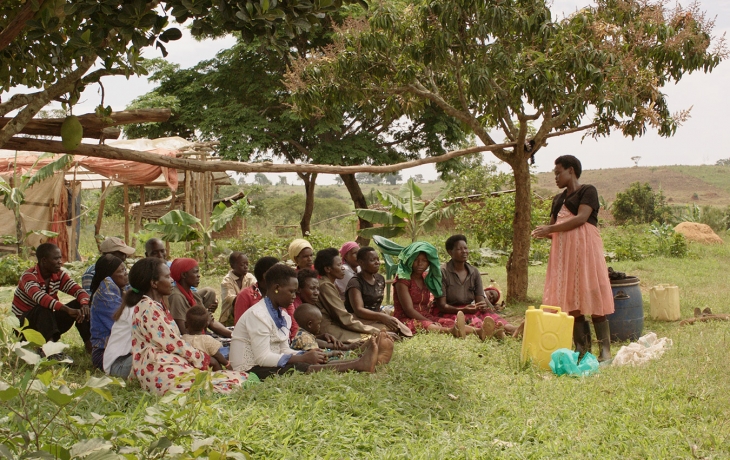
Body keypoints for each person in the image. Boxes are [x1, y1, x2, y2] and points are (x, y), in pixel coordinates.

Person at [228, 264, 383, 379]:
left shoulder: (283, 316)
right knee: (299, 366)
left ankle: (359, 360)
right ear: (276, 288)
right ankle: (358, 364)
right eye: (291, 291)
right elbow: (263, 357)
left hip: (266, 362)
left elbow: (283, 349)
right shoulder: (258, 315)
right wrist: (301, 357)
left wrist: (307, 353)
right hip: (249, 369)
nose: (294, 296)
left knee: (306, 361)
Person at [128, 257, 256, 394]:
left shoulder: (153, 305)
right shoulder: (149, 308)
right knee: (219, 384)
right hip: (158, 369)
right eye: (167, 277)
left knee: (218, 379)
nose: (172, 280)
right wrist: (203, 358)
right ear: (154, 283)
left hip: (159, 364)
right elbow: (173, 344)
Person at [532, 155, 614, 362]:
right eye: (555, 174)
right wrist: (544, 232)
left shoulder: (588, 190)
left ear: (571, 170)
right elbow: (554, 227)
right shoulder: (557, 199)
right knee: (571, 298)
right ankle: (582, 348)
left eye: (559, 173)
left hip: (586, 250)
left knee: (592, 294)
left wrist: (551, 228)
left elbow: (581, 218)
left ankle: (605, 349)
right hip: (564, 255)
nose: (556, 177)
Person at [12, 243, 91, 356]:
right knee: (43, 308)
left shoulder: (58, 275)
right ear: (44, 261)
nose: (60, 261)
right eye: (56, 258)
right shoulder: (29, 276)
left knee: (80, 305)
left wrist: (84, 304)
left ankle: (90, 346)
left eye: (60, 258)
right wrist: (66, 309)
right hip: (24, 327)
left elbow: (78, 290)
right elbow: (40, 298)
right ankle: (51, 350)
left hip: (45, 323)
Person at [432, 235, 518, 338]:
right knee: (469, 319)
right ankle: (492, 332)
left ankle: (513, 329)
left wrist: (481, 306)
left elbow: (479, 301)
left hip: (469, 308)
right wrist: (464, 309)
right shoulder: (443, 272)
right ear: (450, 252)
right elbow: (442, 305)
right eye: (459, 249)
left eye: (465, 248)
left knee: (489, 315)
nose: (464, 251)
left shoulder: (474, 272)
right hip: (449, 310)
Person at [393, 241, 482, 338]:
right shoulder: (402, 280)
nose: (420, 264)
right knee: (427, 325)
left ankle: (480, 331)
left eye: (424, 260)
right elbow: (408, 310)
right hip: (406, 318)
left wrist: (430, 319)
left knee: (449, 322)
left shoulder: (426, 278)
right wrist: (429, 321)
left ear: (429, 263)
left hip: (425, 315)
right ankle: (451, 331)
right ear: (409, 260)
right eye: (416, 260)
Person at [314, 248, 385, 343]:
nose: (343, 268)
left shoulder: (328, 283)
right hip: (329, 328)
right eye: (339, 265)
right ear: (328, 269)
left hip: (337, 323)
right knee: (371, 338)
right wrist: (374, 330)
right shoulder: (325, 286)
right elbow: (343, 318)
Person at [345, 247, 411, 337]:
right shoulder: (355, 283)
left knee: (400, 327)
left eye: (377, 259)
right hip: (358, 319)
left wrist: (382, 316)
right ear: (361, 263)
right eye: (372, 260)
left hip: (376, 316)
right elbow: (358, 310)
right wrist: (381, 317)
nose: (377, 262)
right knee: (390, 328)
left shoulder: (380, 279)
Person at [295, 268, 360, 350]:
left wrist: (323, 336)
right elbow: (301, 338)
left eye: (317, 289)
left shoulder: (310, 304)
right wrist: (346, 347)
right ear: (299, 289)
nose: (316, 293)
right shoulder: (295, 309)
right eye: (312, 288)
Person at [167, 258, 228, 337]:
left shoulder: (193, 294)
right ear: (184, 275)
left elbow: (210, 321)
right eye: (195, 272)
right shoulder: (176, 296)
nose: (199, 275)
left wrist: (232, 335)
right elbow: (183, 332)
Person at [89, 254, 128, 369]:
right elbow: (123, 324)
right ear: (109, 275)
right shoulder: (106, 294)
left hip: (118, 350)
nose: (126, 273)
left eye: (125, 269)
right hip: (104, 354)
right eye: (121, 271)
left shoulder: (118, 289)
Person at [291, 303, 362, 354]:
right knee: (337, 356)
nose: (319, 326)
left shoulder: (304, 334)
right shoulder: (305, 337)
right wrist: (335, 353)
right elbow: (315, 354)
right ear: (310, 324)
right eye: (318, 324)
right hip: (308, 359)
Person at [182, 306, 232, 371]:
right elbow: (217, 355)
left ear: (185, 324)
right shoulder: (207, 340)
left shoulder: (183, 339)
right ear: (206, 325)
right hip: (206, 371)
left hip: (189, 369)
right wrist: (227, 364)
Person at [234, 256, 279, 325]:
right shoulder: (245, 295)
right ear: (265, 276)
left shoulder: (281, 293)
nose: (283, 276)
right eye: (279, 273)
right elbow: (239, 325)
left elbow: (293, 322)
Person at [219, 252, 256, 326]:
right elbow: (231, 298)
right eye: (242, 264)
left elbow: (257, 291)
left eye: (247, 264)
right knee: (238, 304)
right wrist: (249, 298)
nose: (246, 267)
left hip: (248, 312)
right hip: (229, 317)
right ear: (233, 266)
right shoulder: (227, 281)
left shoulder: (249, 277)